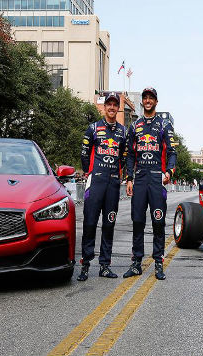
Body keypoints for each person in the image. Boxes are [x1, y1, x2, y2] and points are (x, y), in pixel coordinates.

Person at [123, 87, 176, 281]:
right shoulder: (134, 126)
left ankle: (158, 262)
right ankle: (136, 261)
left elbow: (172, 152)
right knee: (137, 221)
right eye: (145, 98)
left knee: (158, 221)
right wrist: (129, 178)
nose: (147, 100)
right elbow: (129, 155)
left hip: (156, 178)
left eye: (150, 98)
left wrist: (169, 171)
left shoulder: (164, 125)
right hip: (140, 178)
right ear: (142, 102)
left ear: (156, 101)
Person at [77, 92, 127, 281]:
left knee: (109, 224)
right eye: (109, 104)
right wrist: (89, 172)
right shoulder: (93, 128)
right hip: (95, 181)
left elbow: (124, 156)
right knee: (90, 223)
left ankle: (105, 265)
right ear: (104, 107)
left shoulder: (123, 131)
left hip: (113, 183)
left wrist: (117, 172)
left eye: (115, 105)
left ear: (117, 108)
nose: (112, 108)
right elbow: (84, 153)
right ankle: (85, 264)